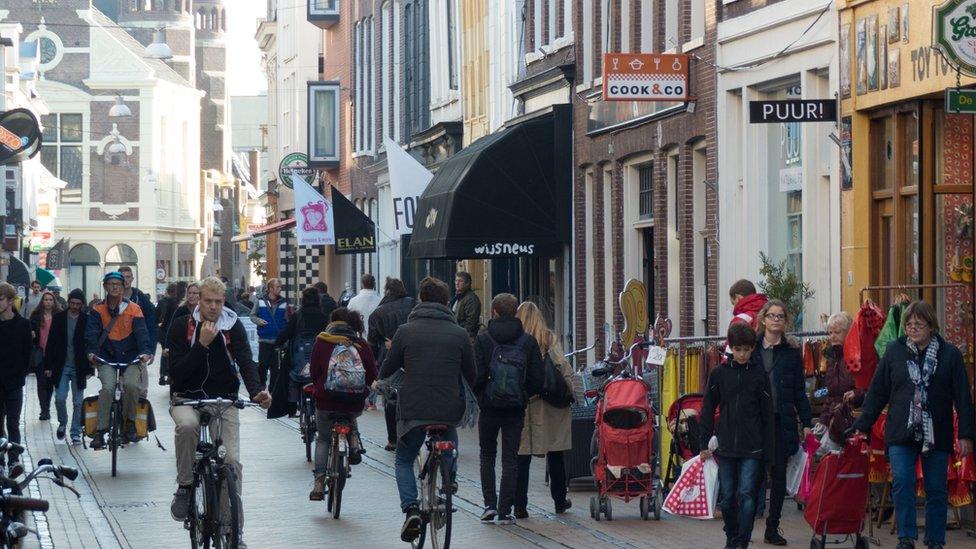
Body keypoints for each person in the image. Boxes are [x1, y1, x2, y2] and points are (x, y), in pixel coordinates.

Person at [852, 301, 974, 549]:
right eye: (909, 324)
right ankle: (906, 537)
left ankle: (935, 540)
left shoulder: (949, 354)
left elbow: (963, 397)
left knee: (936, 489)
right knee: (903, 482)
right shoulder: (894, 351)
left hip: (936, 432)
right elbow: (878, 392)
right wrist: (862, 424)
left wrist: (966, 435)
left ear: (932, 326)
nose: (913, 328)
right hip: (900, 431)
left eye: (919, 324)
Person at [166, 277, 270, 547]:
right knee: (187, 426)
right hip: (187, 398)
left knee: (232, 462)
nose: (213, 307)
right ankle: (186, 486)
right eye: (208, 301)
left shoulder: (232, 324)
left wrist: (257, 390)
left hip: (223, 399)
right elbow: (176, 373)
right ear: (198, 300)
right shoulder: (182, 326)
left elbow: (246, 361)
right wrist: (200, 345)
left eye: (219, 302)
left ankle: (231, 529)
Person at [379, 277, 476, 543]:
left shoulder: (405, 331)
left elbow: (387, 369)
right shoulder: (459, 334)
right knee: (448, 435)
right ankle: (449, 478)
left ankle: (411, 509)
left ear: (420, 300)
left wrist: (388, 378)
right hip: (448, 406)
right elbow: (472, 373)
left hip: (414, 407)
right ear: (446, 302)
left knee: (403, 458)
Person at [700, 323, 774, 549]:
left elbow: (767, 415)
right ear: (731, 348)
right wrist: (704, 443)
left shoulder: (760, 375)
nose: (742, 354)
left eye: (747, 349)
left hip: (753, 446)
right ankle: (732, 534)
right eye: (738, 349)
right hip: (726, 445)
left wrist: (768, 450)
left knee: (747, 494)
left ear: (753, 348)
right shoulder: (719, 374)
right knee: (728, 497)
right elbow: (708, 408)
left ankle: (742, 541)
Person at [473, 293, 545, 525]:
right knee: (510, 459)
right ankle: (505, 511)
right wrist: (523, 395)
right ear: (516, 313)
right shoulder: (527, 342)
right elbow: (537, 379)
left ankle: (489, 506)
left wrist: (483, 395)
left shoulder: (483, 340)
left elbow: (476, 376)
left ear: (494, 312)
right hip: (515, 408)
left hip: (489, 407)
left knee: (487, 455)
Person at [752, 299, 813, 545]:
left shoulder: (790, 353)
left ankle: (772, 527)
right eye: (772, 315)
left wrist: (806, 421)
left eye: (780, 316)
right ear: (763, 319)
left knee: (778, 476)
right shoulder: (752, 348)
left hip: (781, 421)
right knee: (753, 475)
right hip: (755, 423)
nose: (776, 320)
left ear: (785, 322)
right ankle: (743, 526)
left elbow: (799, 390)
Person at [307, 307, 377, 500]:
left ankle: (319, 483)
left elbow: (313, 371)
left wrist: (319, 386)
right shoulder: (361, 344)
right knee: (351, 414)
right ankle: (353, 441)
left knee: (323, 439)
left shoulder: (322, 341)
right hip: (353, 401)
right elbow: (371, 374)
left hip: (326, 401)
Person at [514, 301, 573, 517]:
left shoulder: (515, 340)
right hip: (550, 406)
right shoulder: (549, 339)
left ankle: (519, 506)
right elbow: (563, 367)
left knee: (522, 456)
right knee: (556, 453)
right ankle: (559, 501)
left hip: (524, 405)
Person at [85, 272, 152, 449]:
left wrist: (145, 352)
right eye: (111, 284)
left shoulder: (134, 309)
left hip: (130, 357)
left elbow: (142, 334)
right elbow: (91, 334)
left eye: (118, 284)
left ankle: (129, 422)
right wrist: (91, 352)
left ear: (123, 287)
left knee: (131, 385)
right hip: (106, 356)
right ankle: (100, 431)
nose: (114, 287)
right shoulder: (97, 309)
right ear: (105, 287)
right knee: (107, 388)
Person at [367, 278, 416, 451]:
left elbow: (372, 340)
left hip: (390, 358)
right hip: (414, 355)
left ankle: (393, 439)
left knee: (390, 397)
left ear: (387, 291)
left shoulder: (378, 313)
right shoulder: (413, 304)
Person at [268, 287, 331, 419]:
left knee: (289, 375)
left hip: (298, 357)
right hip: (318, 358)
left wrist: (277, 344)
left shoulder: (297, 315)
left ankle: (291, 408)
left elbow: (286, 333)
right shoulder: (324, 317)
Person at [44, 289, 92, 444]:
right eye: (72, 303)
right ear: (68, 302)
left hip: (79, 366)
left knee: (78, 402)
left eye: (78, 304)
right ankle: (63, 422)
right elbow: (51, 342)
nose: (74, 306)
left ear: (82, 305)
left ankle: (76, 432)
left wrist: (90, 368)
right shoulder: (59, 318)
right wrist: (48, 365)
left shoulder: (86, 320)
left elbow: (90, 344)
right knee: (59, 398)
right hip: (62, 365)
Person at [816, 312, 863, 450]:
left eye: (837, 332)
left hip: (856, 418)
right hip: (837, 420)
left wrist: (857, 393)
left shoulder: (858, 356)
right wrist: (823, 420)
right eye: (830, 332)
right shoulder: (831, 358)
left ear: (849, 332)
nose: (832, 336)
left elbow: (871, 387)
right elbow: (831, 395)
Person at [0, 283, 33, 470]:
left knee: (13, 423)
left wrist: (19, 376)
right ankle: (0, 462)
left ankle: (14, 460)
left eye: (1, 299)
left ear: (11, 301)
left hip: (14, 383)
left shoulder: (23, 325)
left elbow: (27, 354)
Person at [249, 278, 292, 389]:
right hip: (264, 340)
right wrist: (259, 321)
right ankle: (261, 388)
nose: (280, 289)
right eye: (277, 287)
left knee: (275, 368)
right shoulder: (260, 301)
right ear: (270, 288)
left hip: (278, 342)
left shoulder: (284, 302)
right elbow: (252, 316)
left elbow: (288, 320)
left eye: (280, 287)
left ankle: (273, 391)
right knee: (262, 366)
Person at [348, 274, 382, 409]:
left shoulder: (354, 301)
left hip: (359, 341)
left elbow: (348, 320)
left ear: (362, 284)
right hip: (375, 341)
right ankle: (372, 401)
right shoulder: (380, 301)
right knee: (374, 369)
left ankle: (361, 397)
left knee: (360, 368)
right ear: (374, 284)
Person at [29, 290, 61, 421]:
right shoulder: (35, 316)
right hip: (40, 353)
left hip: (54, 354)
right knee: (41, 382)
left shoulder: (59, 315)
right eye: (46, 299)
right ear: (42, 301)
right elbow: (29, 332)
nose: (48, 302)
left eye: (50, 300)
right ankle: (44, 410)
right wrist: (32, 335)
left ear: (54, 302)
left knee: (50, 383)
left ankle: (47, 405)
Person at [119, 265, 158, 355]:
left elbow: (151, 325)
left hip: (138, 349)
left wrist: (151, 350)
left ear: (132, 278)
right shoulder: (112, 299)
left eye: (128, 277)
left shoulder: (142, 299)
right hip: (115, 348)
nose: (125, 280)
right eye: (122, 277)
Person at [156, 284, 179, 385]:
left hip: (163, 331)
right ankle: (170, 375)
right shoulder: (176, 303)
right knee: (173, 353)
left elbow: (156, 316)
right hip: (173, 331)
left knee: (164, 353)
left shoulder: (161, 302)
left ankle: (162, 375)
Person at [450, 271, 481, 341]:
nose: (457, 283)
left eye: (460, 281)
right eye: (456, 280)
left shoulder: (471, 300)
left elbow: (471, 323)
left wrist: (457, 332)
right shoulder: (457, 297)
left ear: (467, 283)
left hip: (466, 337)